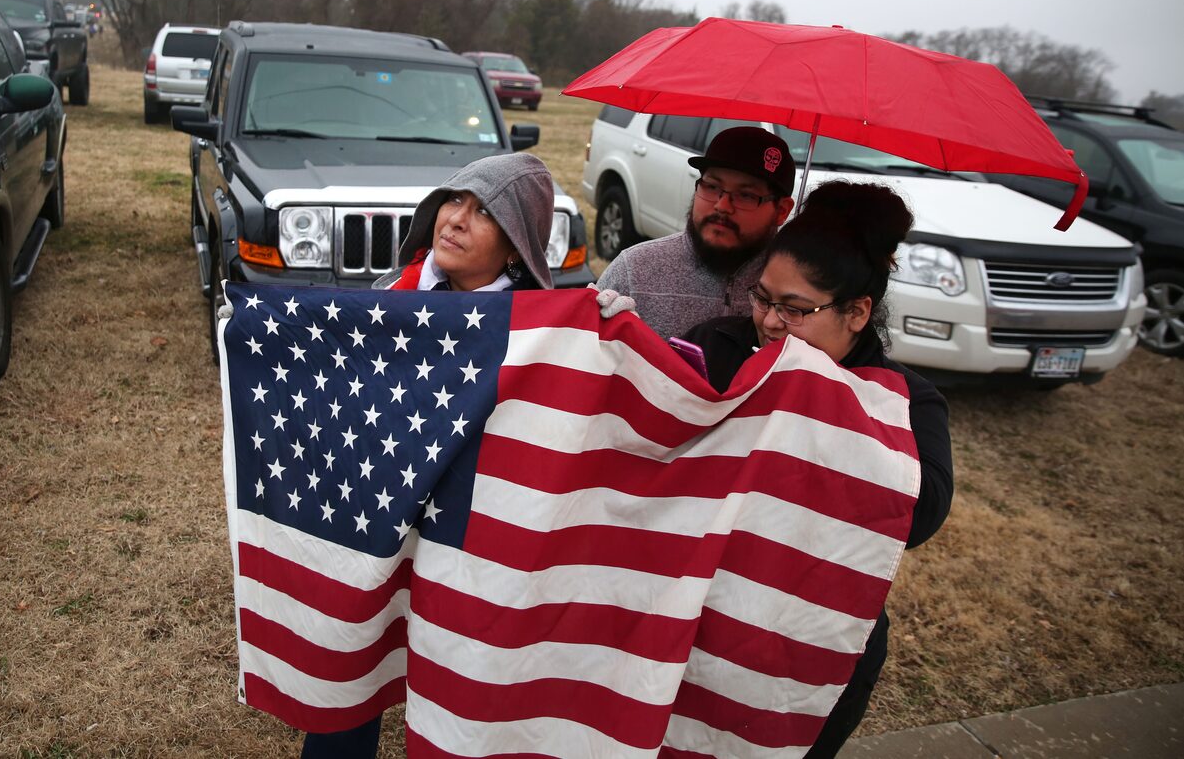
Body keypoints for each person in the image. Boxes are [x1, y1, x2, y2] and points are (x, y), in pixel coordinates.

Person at [681, 180, 954, 758]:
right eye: (762, 298)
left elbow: (922, 513)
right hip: (694, 617)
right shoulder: (717, 345)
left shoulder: (907, 401)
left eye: (795, 309)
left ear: (858, 312)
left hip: (809, 641)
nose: (771, 322)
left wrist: (817, 398)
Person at [301, 152, 556, 759]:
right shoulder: (391, 297)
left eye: (485, 212)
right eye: (455, 200)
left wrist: (608, 331)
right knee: (356, 649)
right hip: (382, 513)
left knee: (457, 679)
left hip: (469, 532)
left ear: (519, 246)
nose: (457, 220)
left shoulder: (545, 330)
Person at [595, 126, 796, 342]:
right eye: (711, 186)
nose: (722, 206)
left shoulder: (798, 287)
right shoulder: (634, 270)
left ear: (782, 210)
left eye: (745, 195)